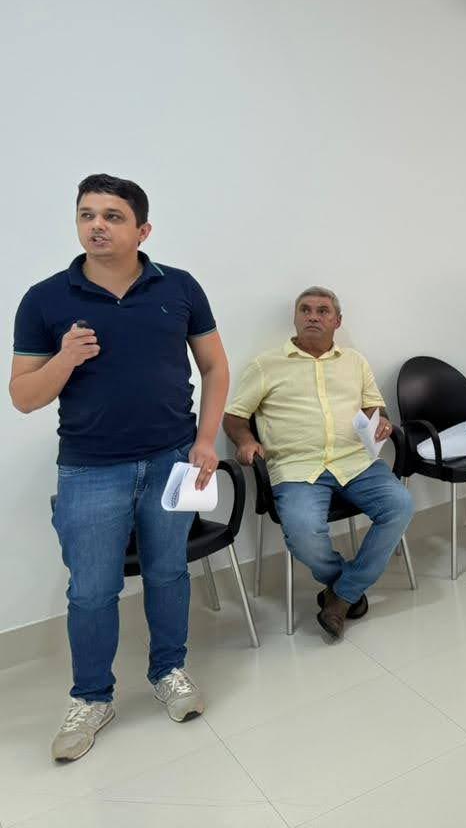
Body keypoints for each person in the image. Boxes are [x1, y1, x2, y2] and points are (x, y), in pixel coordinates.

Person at [10, 174, 229, 762]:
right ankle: (91, 697)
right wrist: (65, 358)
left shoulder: (179, 287)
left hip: (171, 460)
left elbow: (214, 366)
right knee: (91, 590)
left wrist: (206, 440)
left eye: (112, 216)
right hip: (89, 469)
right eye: (87, 214)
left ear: (142, 230)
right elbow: (24, 397)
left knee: (167, 572)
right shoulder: (45, 299)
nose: (97, 226)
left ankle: (168, 672)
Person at [222, 287, 414, 642]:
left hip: (355, 462)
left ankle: (340, 596)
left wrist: (382, 420)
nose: (313, 316)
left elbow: (374, 406)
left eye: (323, 311)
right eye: (306, 310)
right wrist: (245, 441)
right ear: (295, 318)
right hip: (297, 468)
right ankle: (347, 588)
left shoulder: (355, 361)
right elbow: (234, 417)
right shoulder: (266, 365)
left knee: (400, 505)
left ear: (337, 321)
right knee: (304, 535)